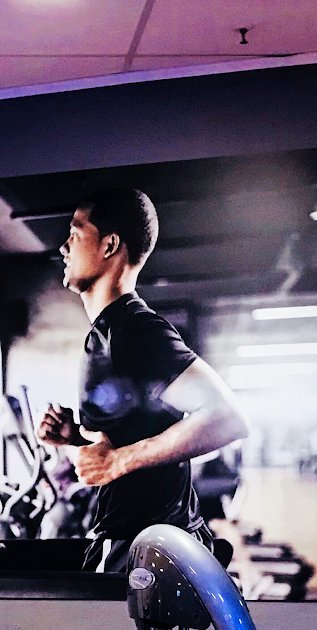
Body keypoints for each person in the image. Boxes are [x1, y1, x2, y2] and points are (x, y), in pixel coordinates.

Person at [39, 187, 249, 571]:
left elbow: (228, 419)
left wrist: (117, 461)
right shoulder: (109, 334)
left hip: (147, 548)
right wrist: (74, 439)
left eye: (75, 234)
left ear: (109, 245)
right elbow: (126, 441)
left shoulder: (135, 330)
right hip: (138, 541)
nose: (64, 248)